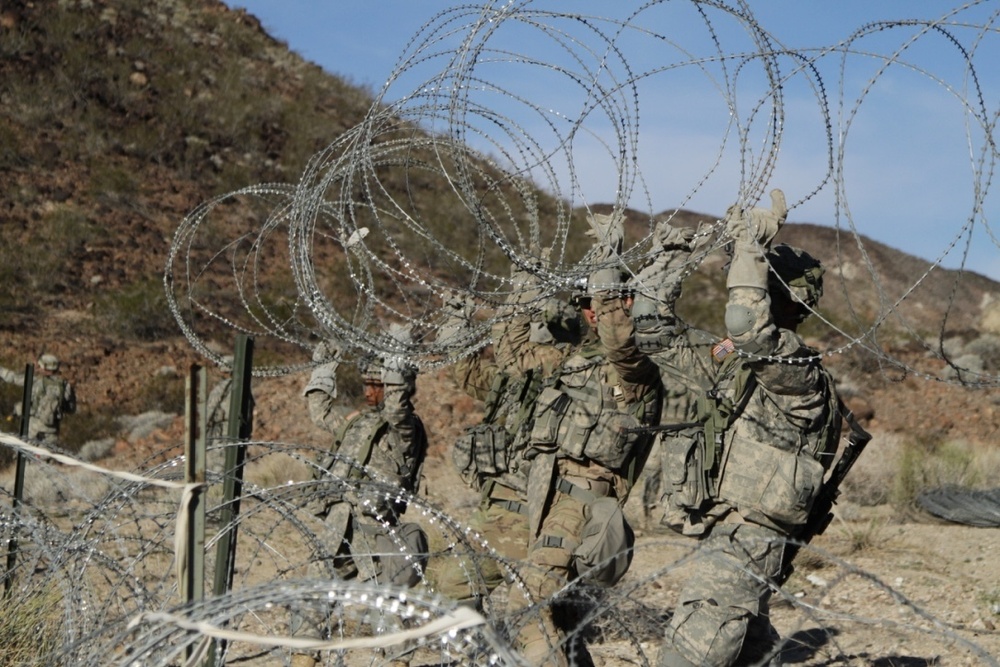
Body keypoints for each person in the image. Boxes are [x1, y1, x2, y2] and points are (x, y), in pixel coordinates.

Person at [656, 190, 843, 667]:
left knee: (690, 653)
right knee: (751, 651)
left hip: (751, 534)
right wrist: (671, 259)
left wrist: (749, 250)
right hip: (727, 525)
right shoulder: (735, 364)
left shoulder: (799, 373)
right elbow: (652, 333)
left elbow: (746, 325)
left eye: (767, 291)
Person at [504, 212, 664, 667]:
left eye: (602, 301)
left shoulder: (639, 369)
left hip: (583, 499)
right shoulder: (573, 360)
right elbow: (514, 355)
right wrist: (524, 285)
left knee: (527, 600)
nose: (592, 310)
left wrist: (608, 263)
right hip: (546, 492)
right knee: (565, 620)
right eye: (587, 303)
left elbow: (618, 338)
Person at [432, 271, 586, 610]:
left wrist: (525, 294)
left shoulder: (564, 368)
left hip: (525, 512)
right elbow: (469, 374)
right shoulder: (515, 382)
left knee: (464, 590)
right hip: (499, 507)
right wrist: (455, 324)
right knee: (454, 585)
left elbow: (514, 350)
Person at [292, 325, 429, 667]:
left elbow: (397, 407)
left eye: (378, 385)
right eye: (367, 384)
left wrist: (397, 357)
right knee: (315, 592)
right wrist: (325, 367)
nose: (370, 392)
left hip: (373, 527)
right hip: (337, 522)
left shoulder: (405, 429)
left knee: (382, 598)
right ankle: (302, 658)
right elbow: (320, 412)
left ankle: (398, 660)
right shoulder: (357, 422)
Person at [627, 221, 719, 531]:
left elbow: (723, 353)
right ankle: (647, 517)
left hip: (687, 426)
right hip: (662, 424)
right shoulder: (668, 357)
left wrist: (731, 344)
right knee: (651, 470)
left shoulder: (702, 348)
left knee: (679, 472)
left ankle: (675, 515)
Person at [0, 353, 76, 444]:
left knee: (26, 455)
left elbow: (13, 378)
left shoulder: (35, 381)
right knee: (45, 456)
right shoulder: (65, 386)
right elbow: (71, 409)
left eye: (40, 366)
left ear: (45, 367)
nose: (37, 367)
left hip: (32, 429)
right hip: (51, 432)